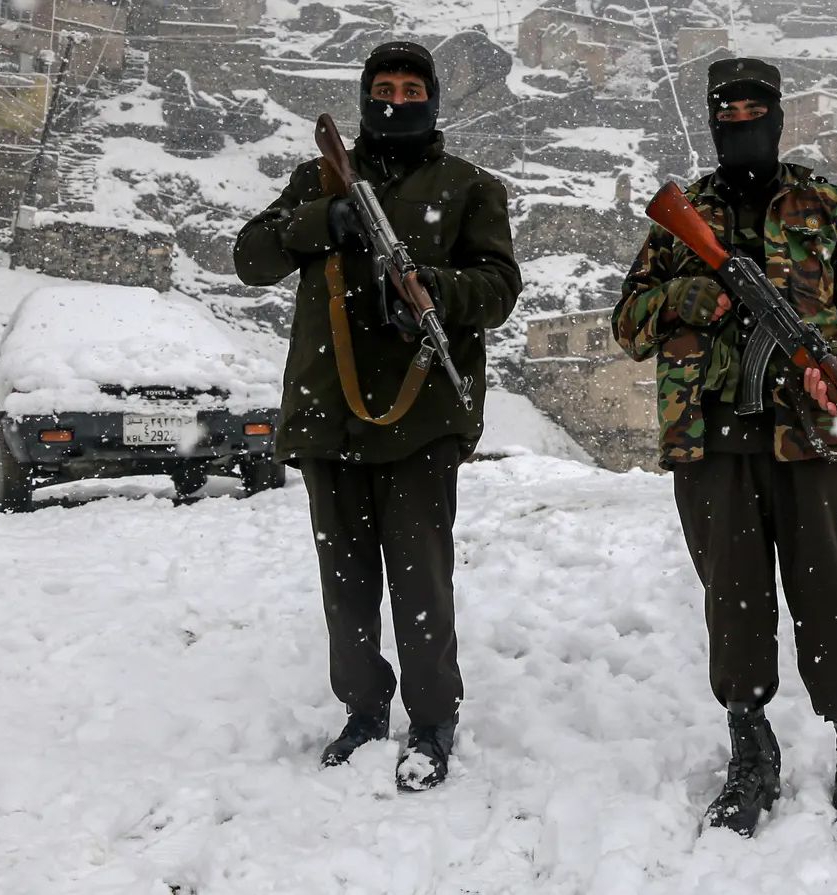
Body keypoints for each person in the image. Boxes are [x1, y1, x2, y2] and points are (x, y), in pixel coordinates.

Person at [612, 57, 837, 869]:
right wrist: (686, 297)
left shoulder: (823, 206)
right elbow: (629, 325)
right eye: (727, 111)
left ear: (778, 116)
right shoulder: (683, 218)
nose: (741, 121)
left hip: (808, 441)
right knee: (733, 606)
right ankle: (751, 751)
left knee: (831, 599)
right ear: (713, 120)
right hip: (711, 443)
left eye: (754, 109)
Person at [233, 41, 520, 791]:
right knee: (346, 581)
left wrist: (433, 289)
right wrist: (323, 219)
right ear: (365, 97)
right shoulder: (318, 177)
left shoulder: (468, 187)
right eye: (384, 86)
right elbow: (251, 257)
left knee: (421, 580)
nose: (397, 98)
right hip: (331, 416)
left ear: (433, 100)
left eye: (412, 87)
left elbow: (498, 288)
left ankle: (431, 720)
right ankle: (363, 709)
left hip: (422, 417)